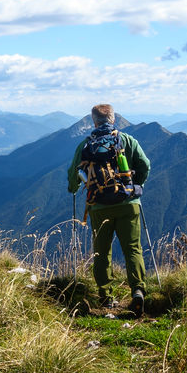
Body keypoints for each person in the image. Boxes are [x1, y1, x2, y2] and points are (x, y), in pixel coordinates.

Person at [67, 103, 152, 316]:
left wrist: (74, 188)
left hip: (98, 207)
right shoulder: (128, 141)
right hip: (128, 204)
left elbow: (72, 174)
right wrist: (135, 187)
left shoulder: (86, 146)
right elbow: (145, 165)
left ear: (94, 121)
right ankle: (138, 291)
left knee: (102, 252)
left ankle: (106, 296)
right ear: (113, 119)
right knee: (133, 249)